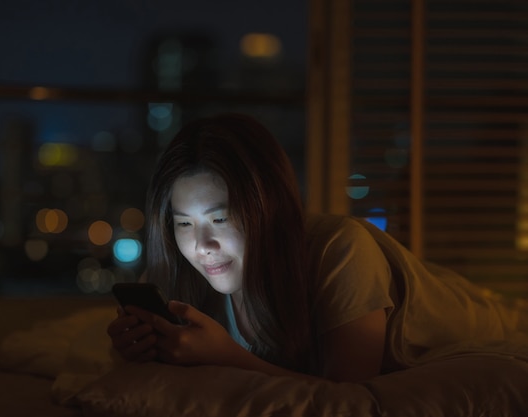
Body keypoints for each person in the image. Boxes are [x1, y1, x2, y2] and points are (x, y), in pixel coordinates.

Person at [107, 113, 528, 382]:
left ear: (265, 207)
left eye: (220, 218)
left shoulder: (340, 250)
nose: (202, 245)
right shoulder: (185, 276)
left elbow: (347, 400)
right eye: (184, 223)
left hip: (498, 321)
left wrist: (227, 356)